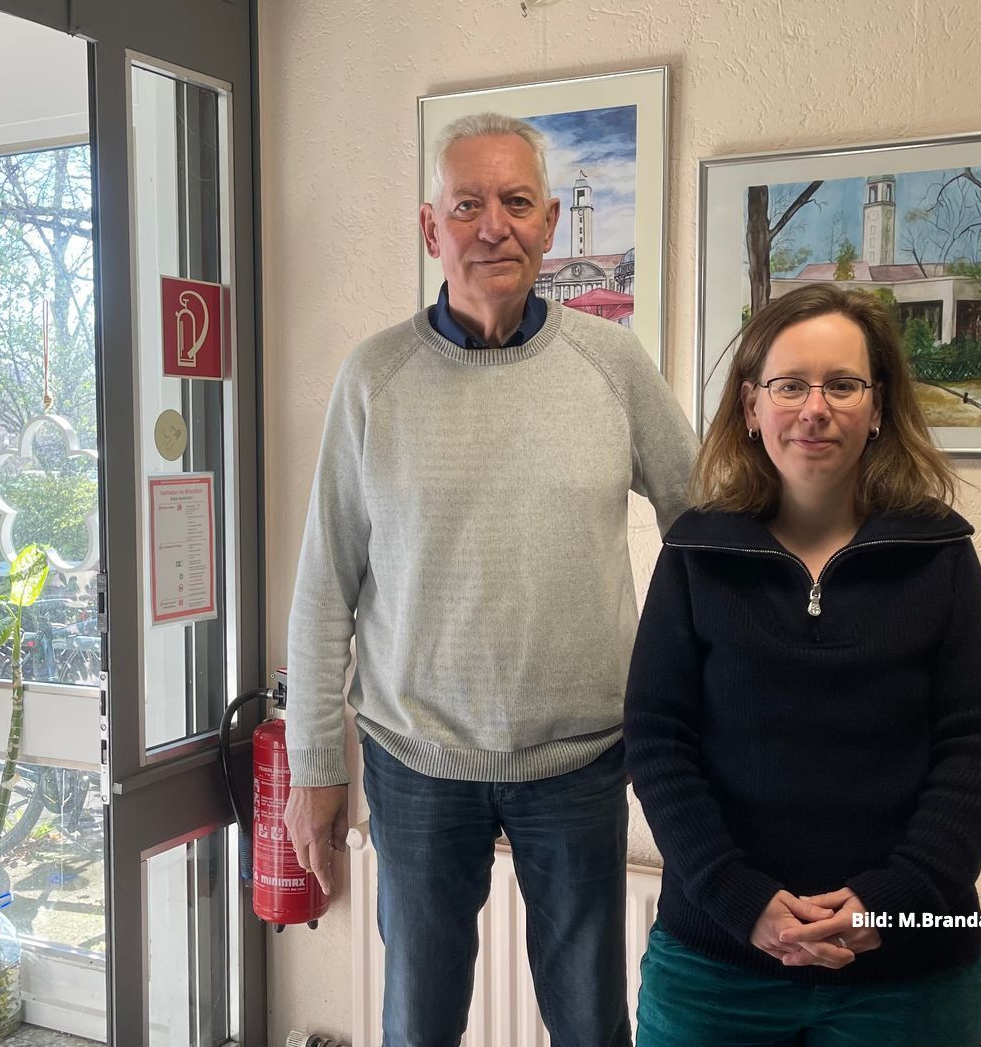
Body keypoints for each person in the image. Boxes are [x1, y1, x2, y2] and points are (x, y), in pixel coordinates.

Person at [284, 112, 696, 1047]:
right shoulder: (373, 378)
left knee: (590, 1023)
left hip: (581, 763)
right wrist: (314, 768)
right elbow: (323, 589)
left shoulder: (612, 364)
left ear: (549, 222)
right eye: (466, 205)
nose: (492, 226)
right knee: (418, 1023)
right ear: (431, 228)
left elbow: (703, 529)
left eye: (515, 202)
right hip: (415, 764)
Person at [625, 284, 981, 1047]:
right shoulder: (697, 552)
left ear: (878, 408)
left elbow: (976, 745)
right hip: (716, 969)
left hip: (908, 978)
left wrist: (894, 901)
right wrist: (741, 901)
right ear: (750, 406)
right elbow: (657, 740)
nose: (815, 409)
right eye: (789, 385)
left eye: (842, 385)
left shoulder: (938, 552)